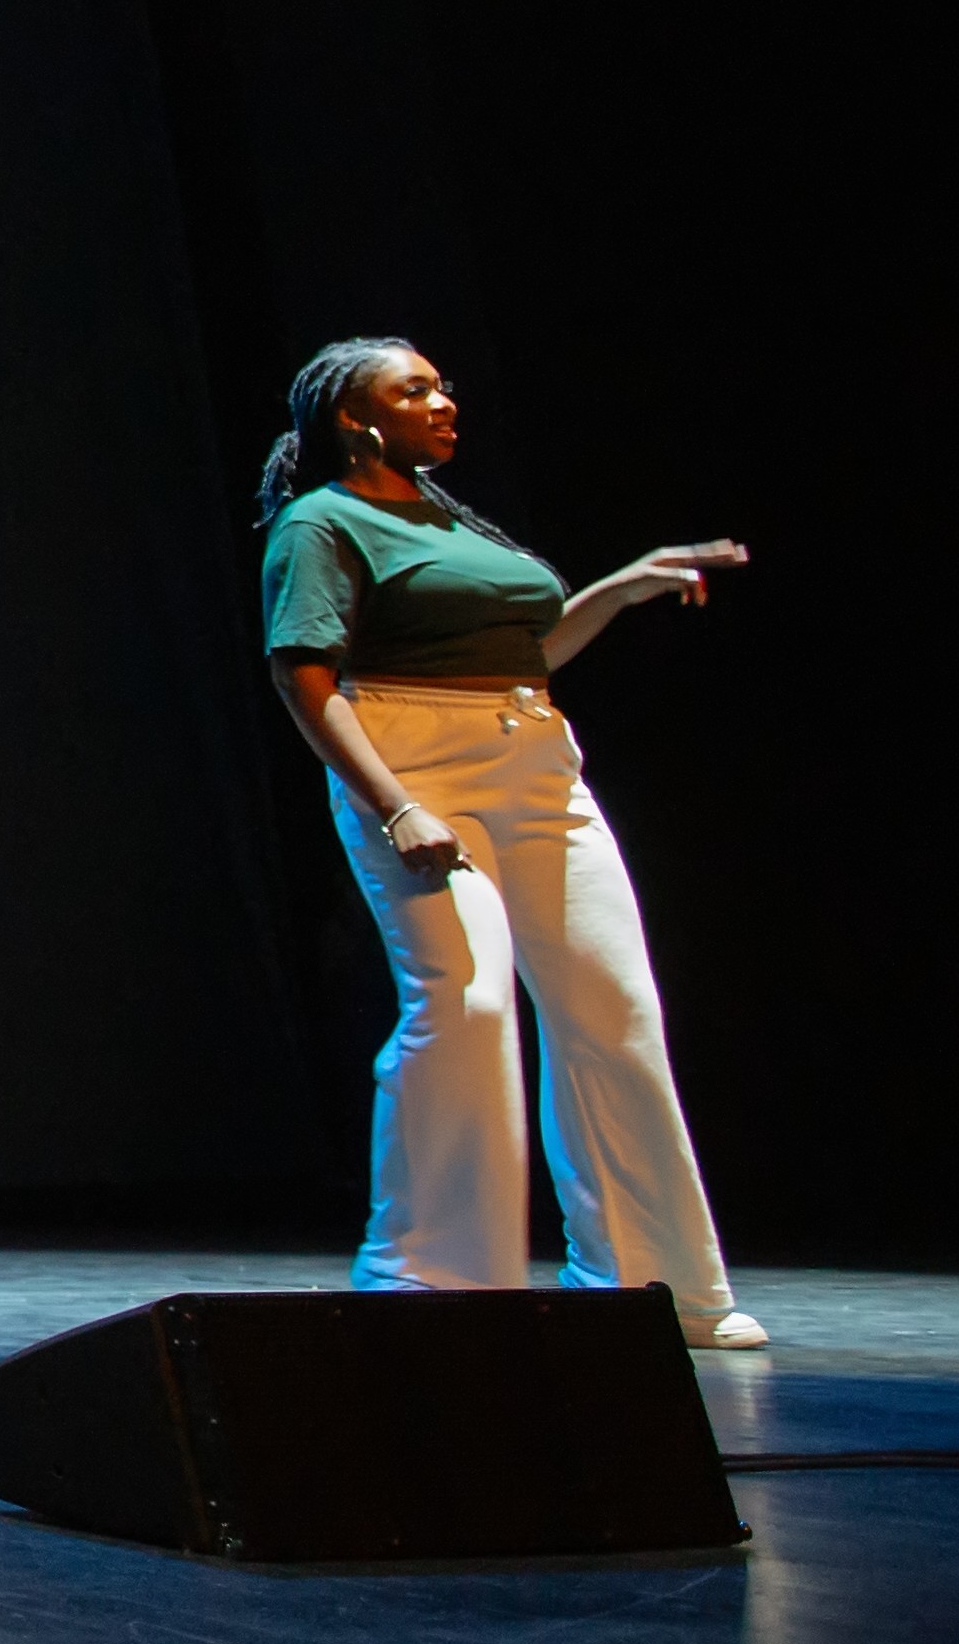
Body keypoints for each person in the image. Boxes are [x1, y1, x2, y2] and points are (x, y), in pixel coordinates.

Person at [252, 337, 764, 1346]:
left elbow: (529, 654)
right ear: (355, 418)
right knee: (467, 998)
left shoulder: (449, 517)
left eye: (440, 384)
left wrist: (621, 586)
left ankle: (649, 1279)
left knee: (614, 1009)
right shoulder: (320, 521)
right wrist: (395, 804)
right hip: (411, 762)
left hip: (533, 761)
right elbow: (301, 673)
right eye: (414, 390)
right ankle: (428, 1274)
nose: (443, 400)